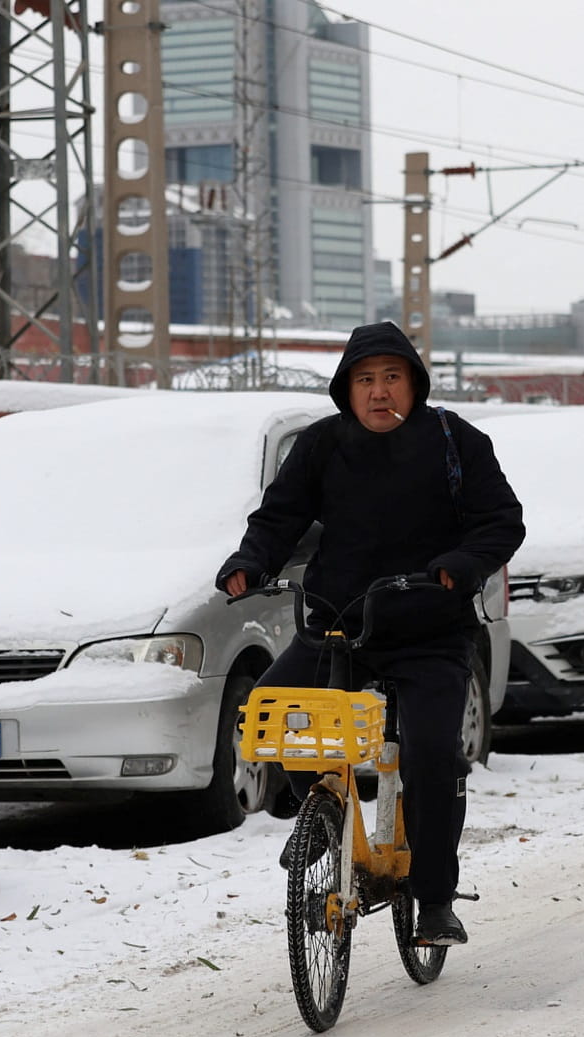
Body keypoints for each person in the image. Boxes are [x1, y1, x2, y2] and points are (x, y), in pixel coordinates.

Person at [217, 321, 525, 947]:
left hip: (430, 630)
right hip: (340, 624)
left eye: (391, 378)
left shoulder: (455, 442)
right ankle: (324, 822)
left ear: (413, 384)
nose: (379, 392)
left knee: (432, 754)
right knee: (275, 714)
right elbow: (280, 516)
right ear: (346, 389)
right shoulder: (323, 445)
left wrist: (458, 568)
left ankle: (435, 898)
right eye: (365, 380)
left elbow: (502, 522)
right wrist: (250, 561)